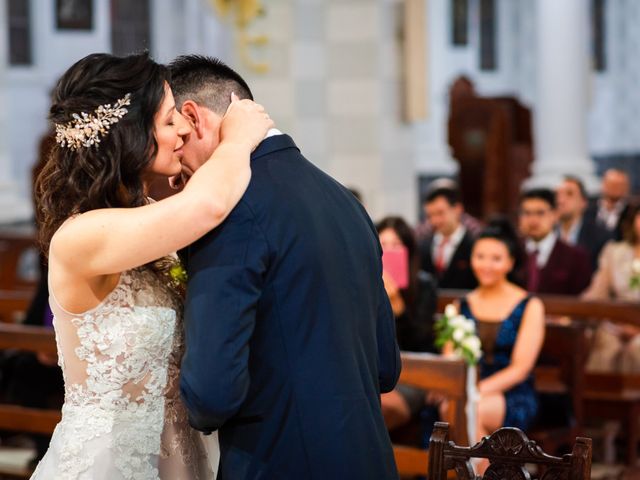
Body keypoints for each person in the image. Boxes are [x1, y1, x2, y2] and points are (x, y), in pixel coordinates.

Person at [30, 52, 273, 479]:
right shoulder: (80, 237)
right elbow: (210, 205)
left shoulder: (149, 215)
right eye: (168, 120)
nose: (182, 127)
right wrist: (238, 139)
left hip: (182, 457)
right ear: (130, 134)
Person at [169, 55, 401, 479]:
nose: (174, 162)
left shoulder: (229, 210)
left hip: (280, 462)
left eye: (174, 135)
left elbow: (211, 393)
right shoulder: (344, 201)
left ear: (192, 117)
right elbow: (386, 367)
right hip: (371, 460)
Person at [455, 219, 545, 472]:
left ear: (510, 262)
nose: (486, 265)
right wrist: (465, 390)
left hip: (510, 390)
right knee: (454, 407)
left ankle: (481, 475)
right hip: (467, 386)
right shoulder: (461, 303)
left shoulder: (529, 305)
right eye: (480, 256)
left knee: (473, 409)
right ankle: (497, 474)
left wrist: (475, 391)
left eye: (496, 258)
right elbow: (450, 358)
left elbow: (520, 368)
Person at [376, 216, 438, 430]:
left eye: (396, 245)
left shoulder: (424, 285)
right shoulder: (364, 281)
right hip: (374, 372)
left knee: (379, 407)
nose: (388, 250)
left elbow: (422, 343)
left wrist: (399, 308)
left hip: (413, 375)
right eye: (383, 244)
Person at [583, 203, 640, 372]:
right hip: (615, 322)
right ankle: (596, 396)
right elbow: (596, 293)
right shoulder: (613, 252)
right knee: (605, 344)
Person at [518, 188, 592, 295]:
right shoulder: (513, 251)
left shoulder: (576, 257)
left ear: (555, 215)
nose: (533, 220)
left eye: (540, 213)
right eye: (527, 213)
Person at [419, 184, 478, 290]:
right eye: (430, 215)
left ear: (457, 209)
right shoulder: (423, 245)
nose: (435, 221)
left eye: (440, 213)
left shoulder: (474, 245)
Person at [555, 175, 611, 270]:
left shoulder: (600, 236)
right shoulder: (547, 232)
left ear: (583, 202)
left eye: (569, 194)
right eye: (557, 194)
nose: (561, 200)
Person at [584, 168, 631, 241]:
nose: (615, 188)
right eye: (612, 184)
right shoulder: (587, 209)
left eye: (619, 185)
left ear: (626, 187)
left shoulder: (632, 213)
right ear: (603, 184)